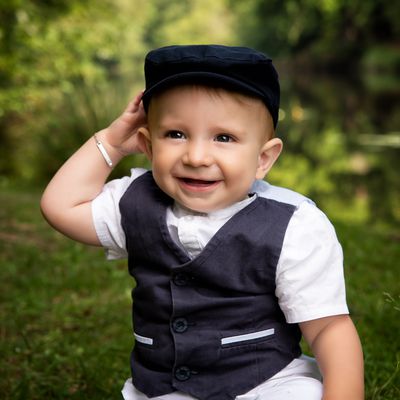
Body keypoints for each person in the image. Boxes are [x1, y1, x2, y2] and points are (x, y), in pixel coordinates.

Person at [41, 44, 364, 400]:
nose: (196, 157)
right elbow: (60, 207)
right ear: (148, 145)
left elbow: (328, 327)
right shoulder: (134, 201)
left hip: (268, 382)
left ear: (263, 158)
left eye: (224, 138)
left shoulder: (294, 225)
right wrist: (111, 143)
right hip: (166, 388)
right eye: (175, 134)